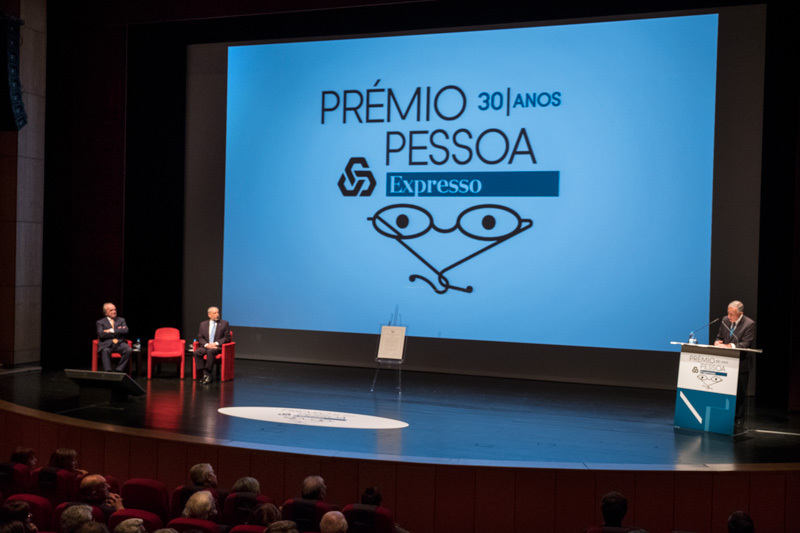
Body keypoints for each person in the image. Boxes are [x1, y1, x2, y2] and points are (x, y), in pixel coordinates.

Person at [714, 300, 757, 425]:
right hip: (725, 362)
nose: (729, 316)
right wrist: (717, 342)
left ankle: (739, 418)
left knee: (740, 392)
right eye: (728, 313)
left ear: (740, 314)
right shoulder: (725, 320)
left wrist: (729, 346)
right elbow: (719, 336)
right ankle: (725, 415)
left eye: (732, 314)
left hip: (741, 363)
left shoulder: (749, 324)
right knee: (725, 390)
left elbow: (746, 343)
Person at [194, 307, 231, 384]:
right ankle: (203, 373)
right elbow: (200, 337)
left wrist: (216, 343)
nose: (217, 315)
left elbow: (227, 338)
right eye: (214, 313)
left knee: (210, 352)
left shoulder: (224, 323)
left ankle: (207, 374)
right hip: (207, 346)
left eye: (218, 312)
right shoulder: (203, 324)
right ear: (209, 315)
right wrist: (207, 345)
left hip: (217, 347)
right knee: (197, 352)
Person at [96, 302, 132, 372]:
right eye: (111, 310)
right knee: (105, 351)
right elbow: (101, 334)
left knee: (128, 350)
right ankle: (108, 371)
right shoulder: (100, 322)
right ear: (106, 312)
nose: (114, 312)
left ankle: (119, 369)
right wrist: (118, 330)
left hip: (119, 343)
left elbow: (125, 330)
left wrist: (111, 330)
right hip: (107, 345)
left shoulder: (121, 320)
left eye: (115, 310)